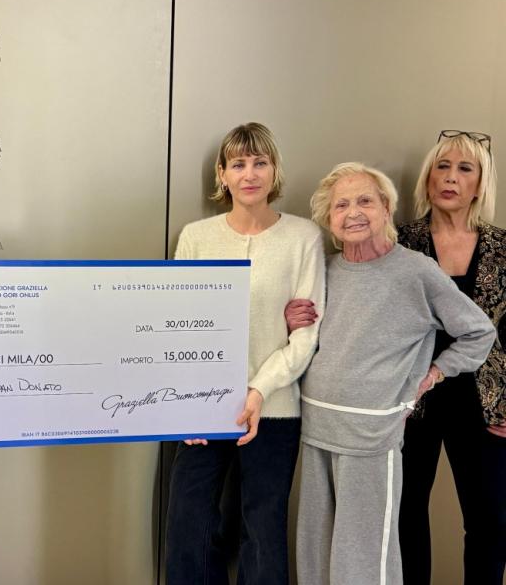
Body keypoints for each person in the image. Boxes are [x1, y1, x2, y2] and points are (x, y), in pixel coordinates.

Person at [296, 162, 495, 585]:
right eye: (341, 205)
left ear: (386, 209)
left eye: (365, 201)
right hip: (316, 427)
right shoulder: (323, 269)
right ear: (328, 219)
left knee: (365, 556)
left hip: (372, 435)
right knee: (315, 550)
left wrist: (436, 372)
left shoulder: (416, 271)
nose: (353, 212)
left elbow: (479, 331)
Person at [165, 122, 325, 584]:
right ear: (222, 174)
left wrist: (258, 389)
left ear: (274, 171)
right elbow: (176, 325)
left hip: (274, 407)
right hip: (203, 408)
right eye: (238, 164)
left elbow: (305, 337)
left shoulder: (304, 237)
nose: (249, 173)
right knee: (189, 525)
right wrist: (186, 403)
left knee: (263, 528)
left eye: (260, 162)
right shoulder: (196, 237)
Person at [397, 130, 506, 585]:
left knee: (490, 523)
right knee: (405, 515)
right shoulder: (400, 242)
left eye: (464, 169)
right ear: (427, 178)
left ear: (480, 184)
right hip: (412, 397)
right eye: (442, 167)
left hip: (485, 401)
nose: (451, 178)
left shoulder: (501, 248)